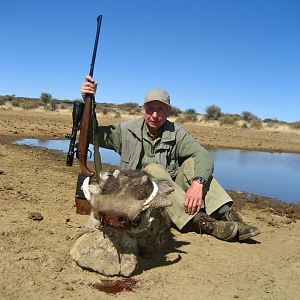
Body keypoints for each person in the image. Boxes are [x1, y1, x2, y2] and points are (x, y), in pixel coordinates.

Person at [81, 75, 260, 242]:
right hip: (137, 198)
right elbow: (93, 135)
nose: (155, 115)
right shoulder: (126, 130)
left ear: (168, 111)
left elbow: (202, 155)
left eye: (160, 109)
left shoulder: (177, 132)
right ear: (143, 110)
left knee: (193, 164)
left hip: (169, 193)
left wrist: (198, 183)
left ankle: (227, 214)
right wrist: (89, 101)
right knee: (153, 170)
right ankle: (204, 223)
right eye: (150, 109)